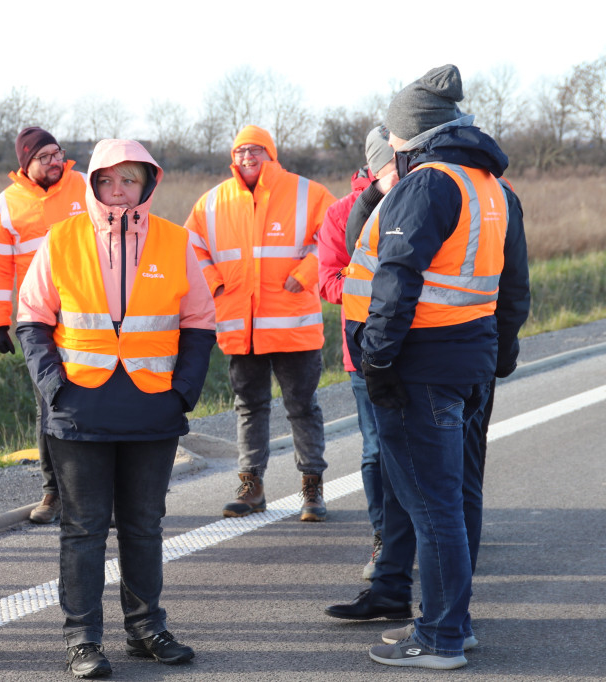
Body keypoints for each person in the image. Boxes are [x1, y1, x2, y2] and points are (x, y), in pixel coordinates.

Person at [325, 65, 530, 669]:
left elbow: (397, 282)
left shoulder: (425, 185)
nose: (389, 145)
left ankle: (439, 638)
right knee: (458, 498)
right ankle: (454, 625)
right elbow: (512, 286)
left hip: (420, 368)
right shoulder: (493, 188)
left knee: (429, 505)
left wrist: (378, 362)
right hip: (468, 361)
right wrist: (502, 350)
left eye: (393, 135)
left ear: (410, 135)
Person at [16, 139, 216, 678]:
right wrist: (54, 388)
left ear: (148, 183)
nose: (118, 189)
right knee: (83, 527)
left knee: (144, 525)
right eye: (107, 180)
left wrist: (183, 392)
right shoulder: (63, 238)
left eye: (129, 179)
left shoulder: (177, 241)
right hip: (79, 407)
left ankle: (146, 627)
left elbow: (200, 321)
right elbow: (31, 318)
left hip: (153, 407)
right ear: (94, 185)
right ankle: (83, 639)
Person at [185, 125, 336, 522]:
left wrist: (306, 273)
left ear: (271, 155)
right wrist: (215, 284)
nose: (247, 157)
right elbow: (192, 248)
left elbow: (338, 235)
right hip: (240, 326)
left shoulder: (309, 193)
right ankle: (251, 486)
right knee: (249, 407)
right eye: (240, 151)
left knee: (302, 407)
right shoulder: (212, 202)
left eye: (255, 150)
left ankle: (312, 489)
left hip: (293, 324)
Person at [0, 126, 87, 524]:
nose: (55, 161)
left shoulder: (86, 187)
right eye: (45, 157)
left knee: (96, 398)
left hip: (89, 314)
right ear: (27, 164)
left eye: (57, 153)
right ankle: (53, 493)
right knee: (50, 403)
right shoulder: (6, 204)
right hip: (37, 319)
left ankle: (96, 494)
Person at [317, 125, 396, 580]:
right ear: (372, 165)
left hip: (415, 347)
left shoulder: (421, 196)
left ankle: (430, 534)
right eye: (387, 161)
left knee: (417, 448)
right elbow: (326, 280)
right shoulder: (342, 213)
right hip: (361, 351)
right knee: (374, 449)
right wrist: (378, 290)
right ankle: (383, 538)